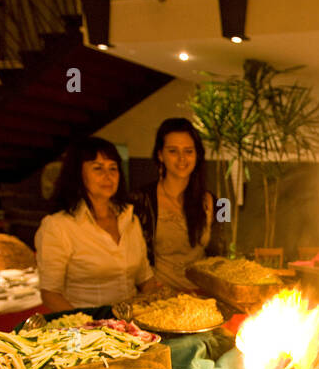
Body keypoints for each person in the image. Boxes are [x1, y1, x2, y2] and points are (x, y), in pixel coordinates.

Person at [35, 137, 157, 312]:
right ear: (78, 174)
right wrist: (89, 327)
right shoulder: (58, 226)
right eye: (98, 168)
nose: (108, 176)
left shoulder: (130, 219)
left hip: (133, 325)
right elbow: (50, 294)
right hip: (87, 331)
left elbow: (145, 279)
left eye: (113, 168)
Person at [131, 118, 215, 291]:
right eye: (173, 151)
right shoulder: (140, 200)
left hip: (202, 297)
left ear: (197, 155)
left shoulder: (216, 202)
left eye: (188, 151)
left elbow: (220, 252)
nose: (182, 158)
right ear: (160, 155)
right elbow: (133, 258)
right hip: (158, 298)